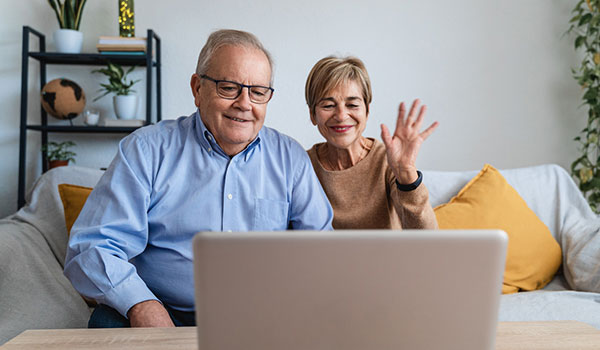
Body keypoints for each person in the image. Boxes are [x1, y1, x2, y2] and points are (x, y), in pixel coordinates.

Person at [64, 29, 333, 328]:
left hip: (262, 317)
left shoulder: (291, 158)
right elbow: (93, 245)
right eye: (229, 88)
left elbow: (320, 251)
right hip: (166, 313)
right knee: (105, 322)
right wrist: (142, 305)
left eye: (258, 92)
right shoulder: (146, 150)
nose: (245, 103)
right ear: (197, 89)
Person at [304, 55, 438, 229]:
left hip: (386, 257)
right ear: (312, 115)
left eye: (352, 105)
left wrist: (406, 175)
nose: (341, 116)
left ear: (367, 111)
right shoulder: (303, 165)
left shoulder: (387, 160)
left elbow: (426, 237)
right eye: (328, 106)